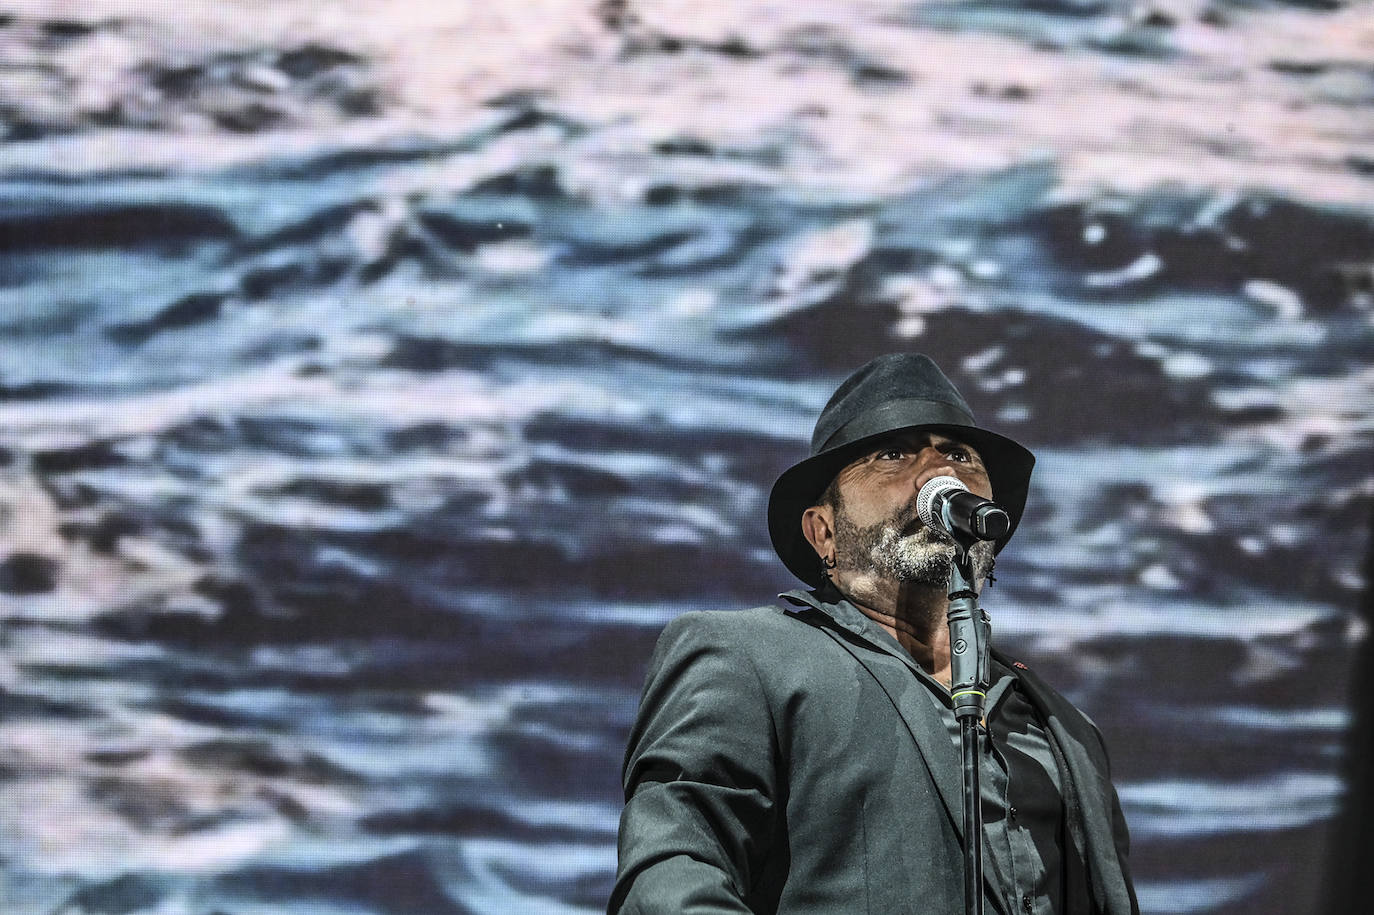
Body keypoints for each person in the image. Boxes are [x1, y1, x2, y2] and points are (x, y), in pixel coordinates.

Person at [610, 353, 1139, 915]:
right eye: (893, 454)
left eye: (959, 455)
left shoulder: (1065, 727)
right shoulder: (744, 657)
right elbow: (672, 874)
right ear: (824, 532)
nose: (941, 474)